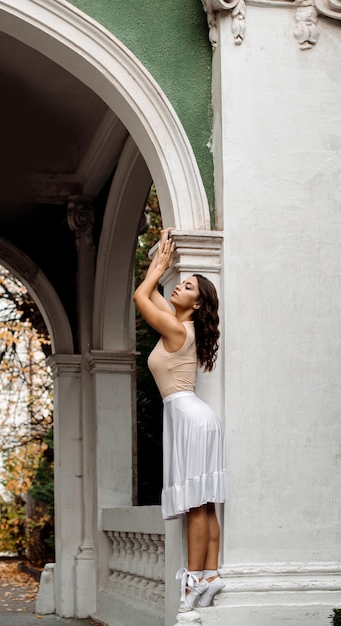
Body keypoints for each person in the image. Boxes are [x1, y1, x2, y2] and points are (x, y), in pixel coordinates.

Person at [133, 227, 228, 613]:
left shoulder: (175, 328)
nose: (178, 287)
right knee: (203, 504)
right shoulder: (178, 324)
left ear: (199, 304)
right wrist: (159, 259)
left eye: (187, 287)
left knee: (196, 504)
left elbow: (141, 295)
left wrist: (157, 268)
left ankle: (192, 583)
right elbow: (152, 292)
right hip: (194, 416)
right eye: (181, 283)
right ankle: (209, 576)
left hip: (189, 417)